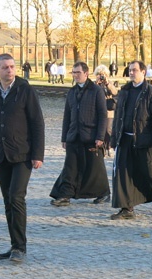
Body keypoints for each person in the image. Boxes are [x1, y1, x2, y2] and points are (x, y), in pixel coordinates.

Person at [0, 53, 45, 263]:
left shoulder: (26, 90)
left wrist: (37, 154)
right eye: (5, 67)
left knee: (16, 196)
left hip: (23, 154)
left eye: (12, 67)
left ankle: (20, 247)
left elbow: (37, 123)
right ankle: (14, 245)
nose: (10, 70)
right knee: (7, 200)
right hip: (2, 154)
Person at [110, 60, 152, 220]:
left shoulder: (151, 93)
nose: (131, 72)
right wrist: (114, 139)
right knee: (123, 174)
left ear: (143, 72)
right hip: (125, 140)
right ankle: (126, 208)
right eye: (130, 70)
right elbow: (117, 117)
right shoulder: (125, 91)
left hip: (144, 141)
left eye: (135, 70)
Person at [49, 62, 110, 206]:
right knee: (70, 167)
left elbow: (103, 115)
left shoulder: (96, 91)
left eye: (78, 72)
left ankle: (103, 193)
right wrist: (64, 137)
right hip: (73, 136)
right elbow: (67, 116)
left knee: (95, 168)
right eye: (73, 72)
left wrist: (100, 137)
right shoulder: (71, 92)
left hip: (91, 136)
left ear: (86, 73)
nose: (75, 75)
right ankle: (65, 195)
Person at [94, 64, 118, 153]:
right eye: (100, 74)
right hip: (97, 110)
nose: (102, 76)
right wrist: (96, 83)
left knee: (108, 129)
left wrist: (107, 84)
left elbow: (115, 92)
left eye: (103, 74)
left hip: (108, 110)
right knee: (100, 129)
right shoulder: (94, 84)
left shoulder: (109, 82)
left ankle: (109, 147)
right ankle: (101, 147)